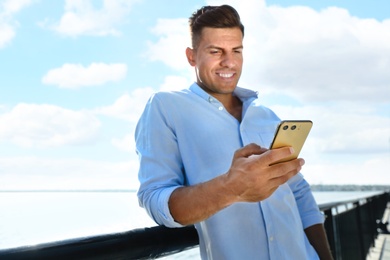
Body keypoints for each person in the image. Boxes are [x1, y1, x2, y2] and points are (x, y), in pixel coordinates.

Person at [135, 5, 333, 260]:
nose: (229, 62)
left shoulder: (266, 116)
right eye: (216, 51)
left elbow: (298, 192)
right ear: (192, 56)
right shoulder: (166, 107)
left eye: (236, 51)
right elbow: (155, 199)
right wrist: (230, 187)